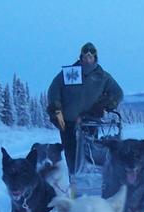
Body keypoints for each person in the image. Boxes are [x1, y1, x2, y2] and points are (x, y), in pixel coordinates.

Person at [46, 42, 123, 172]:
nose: (87, 60)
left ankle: (89, 184)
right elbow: (54, 90)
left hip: (90, 122)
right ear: (81, 58)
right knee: (71, 155)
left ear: (95, 58)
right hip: (68, 122)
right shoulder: (70, 73)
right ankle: (74, 185)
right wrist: (55, 109)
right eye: (85, 57)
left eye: (90, 57)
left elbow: (117, 93)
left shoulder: (102, 76)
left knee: (90, 154)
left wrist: (102, 105)